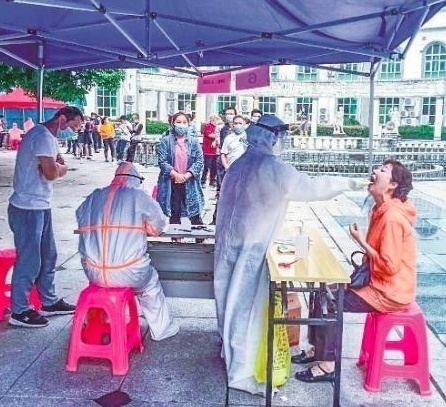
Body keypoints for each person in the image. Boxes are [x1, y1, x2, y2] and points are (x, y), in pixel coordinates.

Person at [214, 114, 365, 395]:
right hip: (252, 249)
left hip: (228, 244)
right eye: (282, 137)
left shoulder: (239, 163)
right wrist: (349, 183)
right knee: (247, 311)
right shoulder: (273, 167)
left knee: (229, 304)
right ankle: (242, 370)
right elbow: (312, 187)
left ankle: (229, 352)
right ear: (273, 138)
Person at [294, 159, 416, 383]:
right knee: (321, 291)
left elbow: (390, 267)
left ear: (392, 185)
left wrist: (360, 241)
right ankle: (317, 350)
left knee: (329, 299)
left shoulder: (392, 217)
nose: (375, 171)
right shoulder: (380, 208)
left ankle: (328, 364)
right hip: (377, 282)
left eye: (382, 170)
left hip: (388, 292)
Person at [75, 162, 179, 341]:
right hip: (130, 272)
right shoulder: (140, 197)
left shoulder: (94, 196)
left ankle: (104, 320)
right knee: (150, 286)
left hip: (94, 273)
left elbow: (80, 218)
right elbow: (158, 228)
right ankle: (162, 330)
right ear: (136, 180)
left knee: (106, 276)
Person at [7, 106, 82, 328]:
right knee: (30, 260)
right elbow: (51, 173)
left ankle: (48, 301)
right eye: (74, 126)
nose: (74, 131)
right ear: (62, 119)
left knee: (48, 255)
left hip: (41, 205)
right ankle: (19, 310)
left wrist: (56, 166)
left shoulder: (49, 138)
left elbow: (53, 167)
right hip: (27, 207)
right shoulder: (41, 136)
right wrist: (60, 168)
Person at [156, 111, 205, 226]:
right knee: (174, 211)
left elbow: (199, 161)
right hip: (172, 181)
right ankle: (176, 235)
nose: (181, 125)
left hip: (190, 181)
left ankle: (199, 234)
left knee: (194, 212)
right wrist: (175, 174)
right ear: (173, 123)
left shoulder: (194, 141)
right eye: (178, 122)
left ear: (188, 124)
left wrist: (187, 175)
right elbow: (162, 161)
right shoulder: (166, 141)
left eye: (184, 122)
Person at [201, 114, 220, 188]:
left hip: (215, 151)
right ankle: (203, 181)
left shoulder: (217, 127)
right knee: (206, 166)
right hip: (208, 150)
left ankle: (212, 182)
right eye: (216, 119)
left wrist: (217, 137)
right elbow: (210, 135)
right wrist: (218, 135)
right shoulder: (207, 126)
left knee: (214, 167)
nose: (217, 121)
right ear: (213, 119)